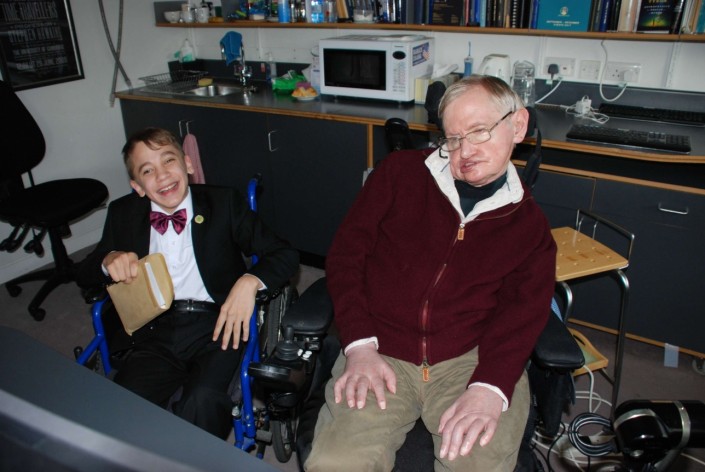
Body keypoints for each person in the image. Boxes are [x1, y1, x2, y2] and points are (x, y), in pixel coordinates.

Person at [305, 76, 557, 471]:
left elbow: (522, 315)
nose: (465, 151)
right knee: (336, 463)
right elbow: (345, 257)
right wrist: (359, 344)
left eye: (479, 131)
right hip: (381, 348)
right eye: (453, 139)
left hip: (470, 360)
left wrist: (490, 386)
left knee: (477, 465)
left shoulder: (530, 229)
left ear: (518, 125)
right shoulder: (399, 174)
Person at [77, 127, 299, 439]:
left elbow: (284, 253)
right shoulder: (123, 214)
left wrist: (249, 280)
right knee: (124, 405)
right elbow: (84, 274)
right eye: (147, 171)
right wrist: (107, 259)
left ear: (188, 163)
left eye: (169, 160)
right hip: (153, 329)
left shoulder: (224, 202)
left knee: (202, 399)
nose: (162, 175)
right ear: (137, 186)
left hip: (218, 323)